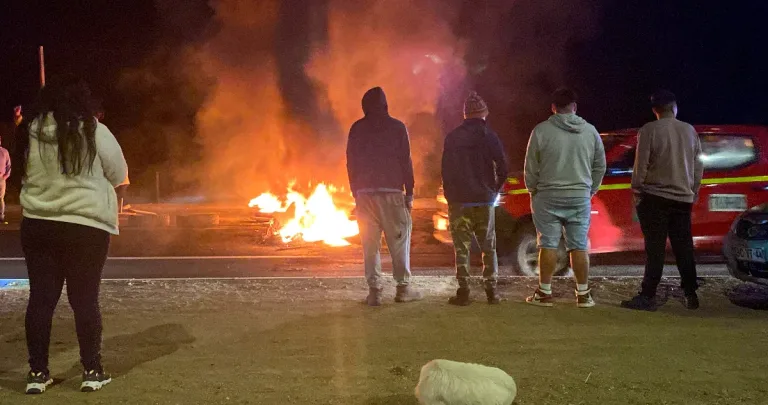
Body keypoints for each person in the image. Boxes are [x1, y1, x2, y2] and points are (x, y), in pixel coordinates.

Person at [17, 76, 128, 394]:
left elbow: (22, 172)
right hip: (86, 226)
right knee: (84, 300)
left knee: (40, 300)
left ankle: (37, 373)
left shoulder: (29, 131)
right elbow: (119, 174)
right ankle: (92, 370)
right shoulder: (93, 131)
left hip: (38, 223)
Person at [621, 90, 703, 311]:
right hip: (682, 198)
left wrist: (637, 192)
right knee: (683, 247)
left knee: (655, 249)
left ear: (655, 110)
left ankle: (648, 296)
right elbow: (698, 165)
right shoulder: (689, 130)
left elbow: (641, 166)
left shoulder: (649, 130)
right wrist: (693, 191)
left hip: (654, 197)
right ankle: (690, 293)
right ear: (674, 107)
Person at [523, 88, 606, 307]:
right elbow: (600, 165)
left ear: (553, 107)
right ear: (575, 107)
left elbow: (531, 168)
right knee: (578, 246)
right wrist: (590, 190)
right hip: (579, 196)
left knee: (548, 244)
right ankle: (583, 294)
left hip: (548, 195)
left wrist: (534, 191)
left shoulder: (541, 131)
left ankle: (544, 292)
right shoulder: (590, 132)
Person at [346, 86, 422, 306]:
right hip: (392, 194)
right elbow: (405, 161)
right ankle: (402, 289)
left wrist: (355, 192)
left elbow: (350, 162)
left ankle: (375, 292)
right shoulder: (398, 128)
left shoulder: (357, 128)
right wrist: (410, 193)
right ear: (385, 105)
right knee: (399, 242)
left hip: (365, 196)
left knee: (370, 246)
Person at [441, 92, 507, 305]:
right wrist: (493, 190)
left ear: (465, 115)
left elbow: (445, 171)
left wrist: (450, 195)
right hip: (483, 201)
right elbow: (503, 168)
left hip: (459, 202)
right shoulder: (490, 136)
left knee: (462, 247)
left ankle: (464, 292)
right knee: (488, 247)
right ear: (483, 114)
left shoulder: (452, 138)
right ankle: (491, 292)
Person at [0, 135, 11, 223]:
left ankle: (1, 215)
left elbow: (8, 166)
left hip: (1, 178)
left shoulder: (4, 151)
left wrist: (5, 176)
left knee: (0, 198)